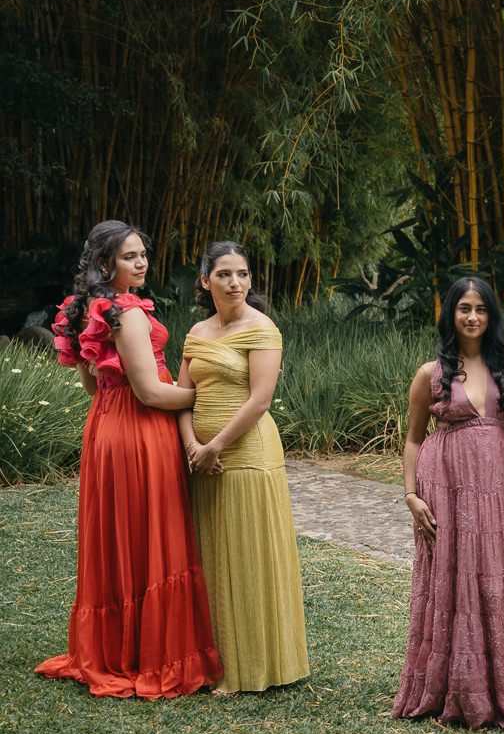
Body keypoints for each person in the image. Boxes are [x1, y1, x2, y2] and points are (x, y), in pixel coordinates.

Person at [41, 220, 221, 697]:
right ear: (105, 264)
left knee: (122, 531)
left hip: (106, 426)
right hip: (141, 429)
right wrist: (211, 399)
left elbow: (92, 384)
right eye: (129, 257)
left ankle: (116, 646)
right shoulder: (127, 312)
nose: (141, 263)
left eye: (142, 254)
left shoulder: (89, 308)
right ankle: (149, 652)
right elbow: (150, 393)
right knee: (150, 529)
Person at [393, 277, 504, 728]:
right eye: (464, 309)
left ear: (491, 314)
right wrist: (411, 495)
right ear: (450, 314)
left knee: (498, 571)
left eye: (481, 309)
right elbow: (413, 439)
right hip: (446, 483)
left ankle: (502, 686)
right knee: (453, 575)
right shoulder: (430, 374)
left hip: (499, 480)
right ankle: (452, 685)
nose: (472, 317)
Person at [176, 241, 309, 693]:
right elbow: (184, 396)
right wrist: (193, 447)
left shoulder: (262, 328)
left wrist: (215, 446)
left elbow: (260, 400)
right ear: (205, 280)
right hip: (202, 458)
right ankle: (216, 659)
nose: (235, 282)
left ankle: (254, 665)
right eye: (224, 274)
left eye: (243, 274)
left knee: (249, 554)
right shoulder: (197, 332)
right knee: (213, 553)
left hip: (248, 453)